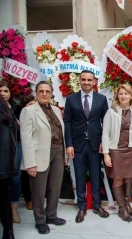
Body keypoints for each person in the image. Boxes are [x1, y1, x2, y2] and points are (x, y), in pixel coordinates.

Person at [20, 81, 67, 234]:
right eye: (41, 91)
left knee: (55, 186)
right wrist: (30, 163)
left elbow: (61, 132)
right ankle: (40, 220)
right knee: (39, 190)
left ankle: (51, 215)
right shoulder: (29, 111)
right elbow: (26, 138)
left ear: (51, 93)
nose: (44, 94)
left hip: (58, 152)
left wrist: (64, 153)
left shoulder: (55, 109)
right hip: (39, 154)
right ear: (36, 92)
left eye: (47, 91)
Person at [64, 70, 109, 223]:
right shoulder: (71, 99)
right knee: (80, 176)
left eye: (89, 80)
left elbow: (106, 123)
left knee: (96, 175)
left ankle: (97, 205)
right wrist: (68, 144)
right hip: (77, 145)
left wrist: (104, 141)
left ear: (94, 82)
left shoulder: (102, 99)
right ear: (79, 81)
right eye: (83, 80)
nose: (86, 82)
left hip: (96, 145)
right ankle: (82, 207)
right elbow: (67, 123)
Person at [102, 84, 132, 222]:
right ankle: (121, 208)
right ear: (117, 96)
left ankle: (127, 204)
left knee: (129, 178)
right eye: (121, 94)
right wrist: (106, 154)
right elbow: (105, 133)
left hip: (131, 149)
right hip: (116, 150)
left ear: (131, 95)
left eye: (126, 93)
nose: (123, 96)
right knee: (118, 178)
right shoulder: (111, 112)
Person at [0, 81, 23, 223]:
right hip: (3, 149)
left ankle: (13, 208)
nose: (2, 93)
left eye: (5, 91)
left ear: (10, 93)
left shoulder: (17, 109)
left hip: (17, 145)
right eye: (0, 91)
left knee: (16, 179)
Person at [0, 96, 17, 239]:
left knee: (3, 199)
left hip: (3, 164)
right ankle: (9, 232)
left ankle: (8, 231)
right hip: (5, 166)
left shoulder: (6, 114)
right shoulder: (7, 113)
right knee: (4, 199)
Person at [20, 94, 36, 211]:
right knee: (25, 175)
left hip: (39, 150)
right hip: (23, 146)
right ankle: (28, 199)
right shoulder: (25, 113)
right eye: (29, 104)